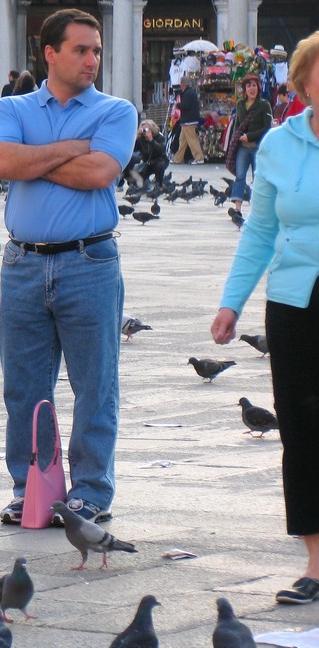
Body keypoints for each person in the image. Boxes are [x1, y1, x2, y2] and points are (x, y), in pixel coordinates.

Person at [0, 8, 136, 526]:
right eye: (81, 49)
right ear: (50, 53)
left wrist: (37, 156)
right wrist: (71, 148)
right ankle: (33, 487)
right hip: (23, 263)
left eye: (96, 50)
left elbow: (100, 172)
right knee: (24, 386)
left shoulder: (117, 111)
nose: (92, 59)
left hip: (89, 260)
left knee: (95, 383)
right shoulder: (11, 106)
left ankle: (90, 490)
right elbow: (1, 163)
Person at [211, 30, 319, 606]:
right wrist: (232, 303)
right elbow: (260, 231)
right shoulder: (279, 144)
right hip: (296, 300)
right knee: (300, 429)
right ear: (303, 83)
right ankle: (315, 561)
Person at [228, 75, 273, 213]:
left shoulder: (264, 105)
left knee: (258, 177)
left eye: (254, 85)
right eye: (249, 86)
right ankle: (237, 208)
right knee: (240, 176)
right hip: (243, 147)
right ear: (245, 90)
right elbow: (238, 125)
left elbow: (267, 128)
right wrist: (235, 141)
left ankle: (260, 209)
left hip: (258, 147)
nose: (252, 89)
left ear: (258, 88)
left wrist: (250, 136)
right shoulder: (240, 105)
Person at [122, 119, 168, 187]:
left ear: (152, 129)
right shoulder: (141, 138)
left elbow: (161, 150)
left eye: (146, 129)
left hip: (159, 161)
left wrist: (151, 140)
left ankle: (159, 184)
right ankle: (146, 184)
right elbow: (132, 150)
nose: (144, 131)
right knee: (133, 181)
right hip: (146, 163)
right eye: (142, 129)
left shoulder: (159, 136)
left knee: (159, 166)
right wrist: (136, 138)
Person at [172, 75, 205, 164]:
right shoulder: (190, 92)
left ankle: (199, 158)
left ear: (183, 84)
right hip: (188, 120)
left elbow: (185, 106)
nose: (180, 85)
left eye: (181, 83)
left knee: (192, 140)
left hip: (188, 120)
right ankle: (177, 159)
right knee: (182, 141)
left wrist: (177, 105)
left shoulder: (187, 93)